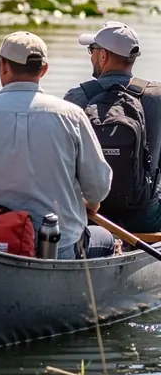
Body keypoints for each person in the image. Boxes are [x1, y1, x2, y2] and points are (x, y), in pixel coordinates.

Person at [0, 31, 114, 259]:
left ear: (3, 66)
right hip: (57, 246)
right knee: (106, 239)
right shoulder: (72, 115)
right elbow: (98, 188)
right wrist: (90, 205)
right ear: (44, 70)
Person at [64, 21, 161, 234]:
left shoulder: (76, 97)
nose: (91, 56)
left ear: (104, 56)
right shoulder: (157, 96)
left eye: (92, 50)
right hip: (145, 218)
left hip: (92, 215)